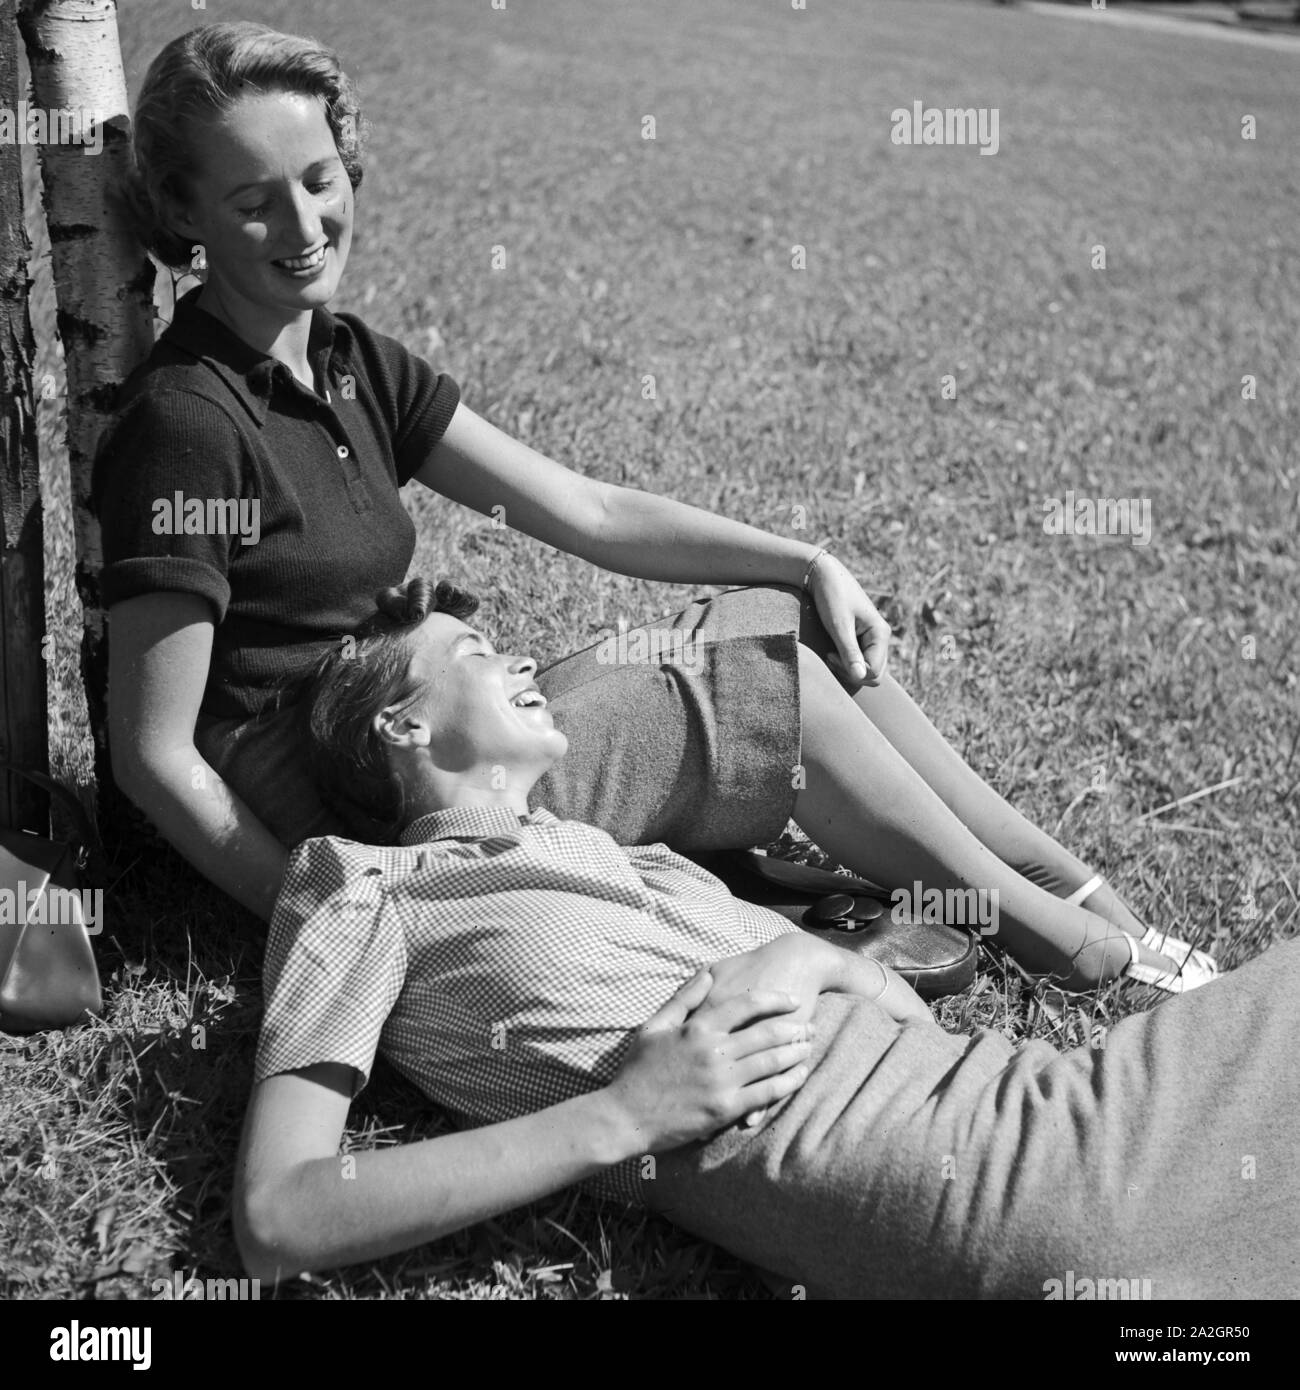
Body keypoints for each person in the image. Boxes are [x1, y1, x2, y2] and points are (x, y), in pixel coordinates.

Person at [93, 20, 1212, 990]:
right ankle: (1077, 949)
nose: (301, 225)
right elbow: (157, 753)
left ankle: (1065, 883)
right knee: (749, 681)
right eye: (253, 202)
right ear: (185, 216)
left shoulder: (347, 361)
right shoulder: (189, 419)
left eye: (319, 179)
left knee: (787, 622)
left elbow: (583, 508)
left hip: (435, 712)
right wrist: (326, 915)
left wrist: (796, 556)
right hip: (369, 798)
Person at [233, 579, 1298, 1299]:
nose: (517, 660)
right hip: (1029, 1172)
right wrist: (618, 1117)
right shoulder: (367, 888)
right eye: (473, 652)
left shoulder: (624, 860)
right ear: (401, 726)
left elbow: (876, 997)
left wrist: (816, 957)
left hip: (1050, 1155)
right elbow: (278, 1215)